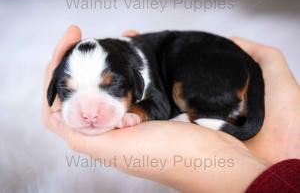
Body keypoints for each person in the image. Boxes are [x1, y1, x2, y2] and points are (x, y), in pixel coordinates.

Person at [43, 25, 300, 192]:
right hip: (223, 74)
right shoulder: (131, 67)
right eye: (68, 90)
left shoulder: (143, 73)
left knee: (184, 85)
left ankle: (219, 114)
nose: (89, 111)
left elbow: (159, 104)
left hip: (215, 64)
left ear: (135, 80)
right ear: (55, 89)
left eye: (111, 87)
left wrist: (139, 112)